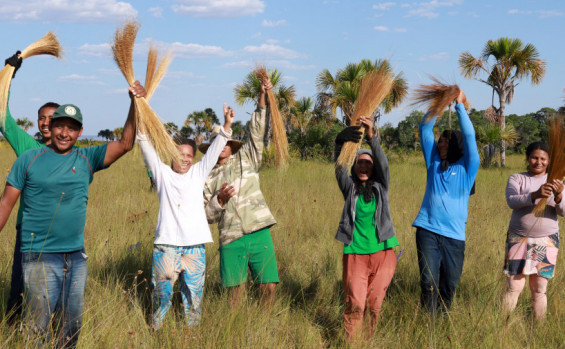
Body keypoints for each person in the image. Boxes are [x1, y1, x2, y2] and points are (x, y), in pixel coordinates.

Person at [0, 82, 145, 347]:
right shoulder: (29, 159)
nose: (64, 133)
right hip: (39, 257)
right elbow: (5, 204)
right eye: (59, 126)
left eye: (71, 127)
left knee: (71, 327)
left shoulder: (87, 158)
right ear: (50, 127)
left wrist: (134, 103)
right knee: (37, 328)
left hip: (76, 258)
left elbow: (125, 143)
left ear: (79, 131)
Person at [139, 103, 234, 329]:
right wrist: (140, 109)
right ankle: (156, 332)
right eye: (179, 154)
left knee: (193, 298)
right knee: (162, 297)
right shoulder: (162, 174)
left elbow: (211, 154)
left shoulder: (198, 173)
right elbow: (144, 144)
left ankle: (191, 335)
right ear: (170, 154)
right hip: (166, 246)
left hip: (194, 247)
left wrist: (227, 126)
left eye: (189, 155)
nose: (184, 159)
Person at [202, 77, 278, 306]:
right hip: (230, 236)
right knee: (235, 295)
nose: (222, 145)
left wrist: (262, 96)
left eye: (225, 141)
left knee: (268, 287)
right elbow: (206, 215)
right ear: (212, 146)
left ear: (231, 144)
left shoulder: (247, 159)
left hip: (258, 229)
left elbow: (256, 130)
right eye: (217, 141)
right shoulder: (205, 176)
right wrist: (219, 200)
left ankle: (266, 329)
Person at [1, 51, 60, 322]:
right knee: (20, 286)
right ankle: (12, 331)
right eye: (41, 118)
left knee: (56, 290)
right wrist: (9, 75)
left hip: (61, 232)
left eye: (51, 118)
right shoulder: (28, 147)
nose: (45, 122)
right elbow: (4, 120)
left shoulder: (72, 154)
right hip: (29, 229)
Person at [412, 90, 480, 314]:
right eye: (439, 142)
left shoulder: (467, 168)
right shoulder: (432, 164)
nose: (441, 145)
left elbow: (470, 137)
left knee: (449, 286)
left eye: (446, 142)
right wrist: (440, 103)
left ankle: (443, 321)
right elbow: (425, 129)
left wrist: (460, 105)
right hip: (428, 231)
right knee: (428, 283)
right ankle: (428, 324)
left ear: (456, 146)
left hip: (454, 237)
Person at [334, 116, 398, 339]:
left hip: (383, 254)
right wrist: (339, 143)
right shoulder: (349, 188)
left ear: (373, 168)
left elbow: (383, 164)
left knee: (374, 305)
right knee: (355, 304)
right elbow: (340, 168)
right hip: (355, 254)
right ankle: (352, 343)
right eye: (359, 162)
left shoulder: (382, 187)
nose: (363, 166)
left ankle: (369, 341)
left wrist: (372, 138)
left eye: (367, 163)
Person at [502, 141, 564, 320]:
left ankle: (539, 328)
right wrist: (535, 195)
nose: (539, 162)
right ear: (528, 158)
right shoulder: (517, 178)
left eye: (543, 159)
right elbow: (512, 200)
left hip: (547, 240)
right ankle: (503, 327)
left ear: (549, 160)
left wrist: (559, 195)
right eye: (534, 158)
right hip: (518, 238)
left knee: (539, 289)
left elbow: (564, 211)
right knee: (514, 287)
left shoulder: (557, 181)